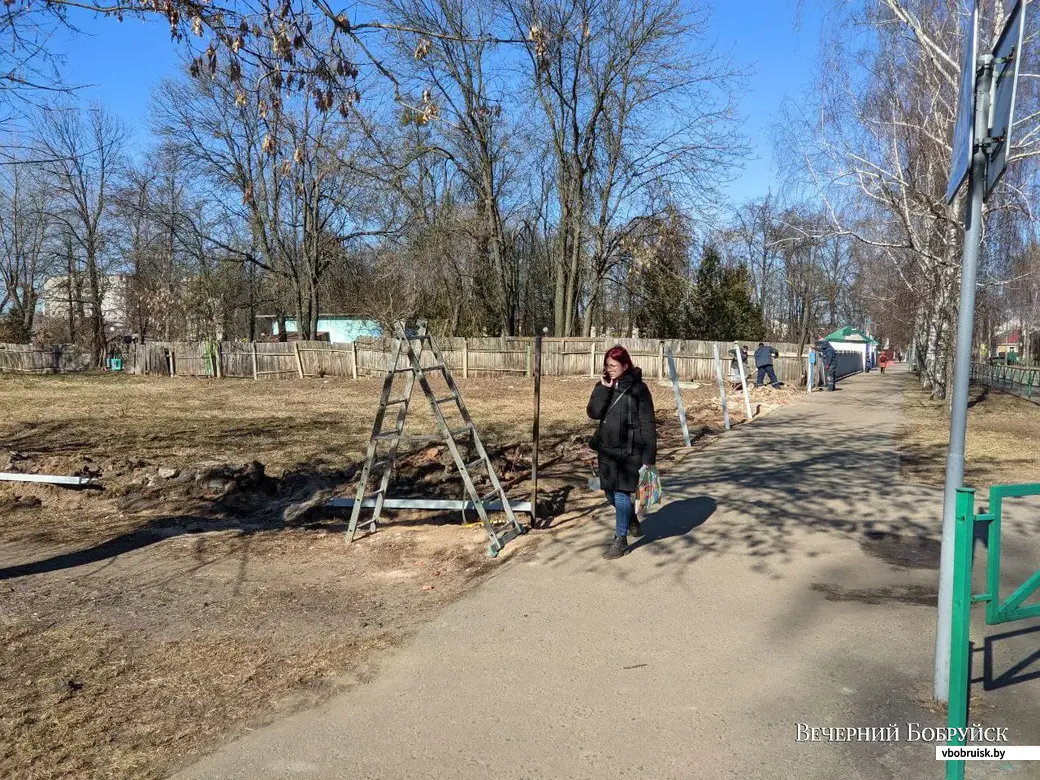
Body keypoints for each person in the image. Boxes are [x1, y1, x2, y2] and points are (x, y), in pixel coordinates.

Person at [587, 346, 657, 560]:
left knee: (620, 493)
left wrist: (648, 458)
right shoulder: (604, 385)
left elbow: (648, 424)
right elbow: (593, 413)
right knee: (608, 491)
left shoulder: (639, 389)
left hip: (630, 451)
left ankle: (620, 539)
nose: (609, 370)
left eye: (614, 366)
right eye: (607, 366)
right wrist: (604, 388)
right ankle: (630, 519)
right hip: (607, 450)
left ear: (625, 365)